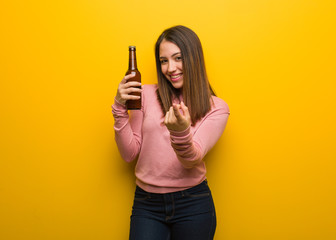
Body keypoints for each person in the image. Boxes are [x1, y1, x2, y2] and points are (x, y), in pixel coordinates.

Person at [112, 25, 230, 240]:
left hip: (193, 204)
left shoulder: (217, 108)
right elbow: (129, 154)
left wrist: (181, 131)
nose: (171, 68)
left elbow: (191, 159)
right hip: (147, 204)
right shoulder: (146, 95)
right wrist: (119, 108)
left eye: (178, 58)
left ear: (194, 58)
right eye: (164, 61)